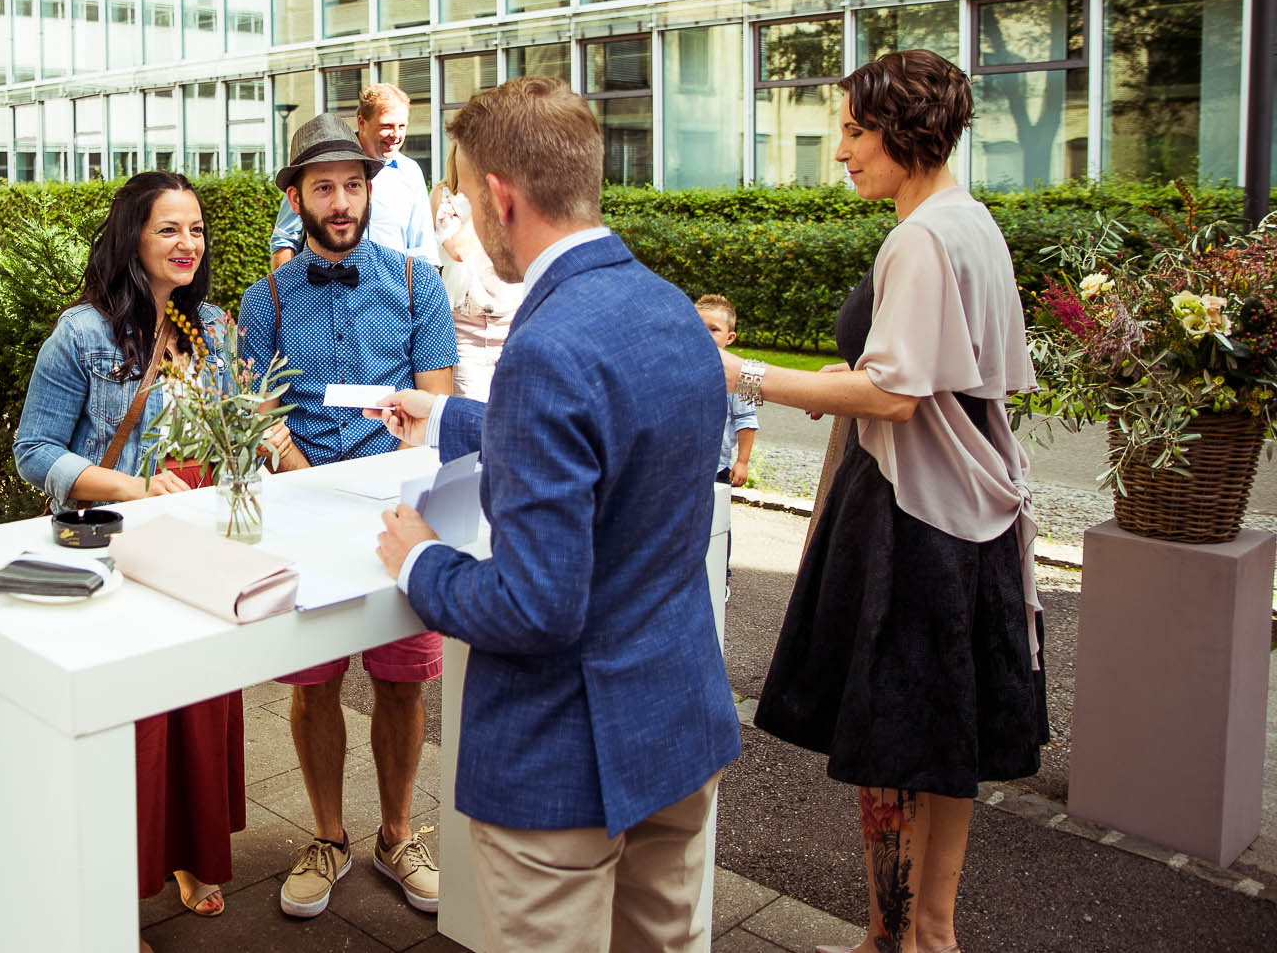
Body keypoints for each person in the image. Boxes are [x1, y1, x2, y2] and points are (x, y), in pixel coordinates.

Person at [371, 75, 741, 953]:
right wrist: (454, 417)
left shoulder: (547, 345)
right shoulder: (673, 310)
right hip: (677, 727)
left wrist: (421, 559)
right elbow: (612, 432)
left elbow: (537, 605)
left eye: (461, 194)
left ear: (500, 196)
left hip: (566, 763)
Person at [719, 49, 1044, 953]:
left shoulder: (920, 236)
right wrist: (852, 374)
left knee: (895, 739)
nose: (841, 152)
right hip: (971, 506)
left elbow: (897, 395)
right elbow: (950, 377)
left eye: (855, 132)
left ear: (904, 133)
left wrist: (746, 372)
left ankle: (895, 942)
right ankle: (921, 936)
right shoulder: (968, 219)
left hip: (911, 508)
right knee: (948, 739)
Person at [13, 171, 269, 933]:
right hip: (110, 549)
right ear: (133, 237)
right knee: (131, 727)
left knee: (195, 705)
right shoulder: (82, 333)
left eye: (196, 230)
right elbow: (34, 451)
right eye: (169, 229)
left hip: (193, 549)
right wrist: (129, 486)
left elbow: (230, 433)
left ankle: (186, 853)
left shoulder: (216, 327)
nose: (188, 243)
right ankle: (111, 896)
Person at [238, 114, 457, 921]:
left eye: (353, 184)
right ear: (296, 197)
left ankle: (397, 835)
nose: (340, 201)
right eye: (323, 186)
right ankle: (327, 836)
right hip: (301, 512)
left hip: (398, 516)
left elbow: (438, 404)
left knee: (403, 681)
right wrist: (302, 477)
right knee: (314, 682)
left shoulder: (414, 282)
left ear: (372, 189)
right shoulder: (262, 300)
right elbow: (258, 411)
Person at [270, 84, 438, 270]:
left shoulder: (410, 172)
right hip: (325, 292)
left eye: (402, 126)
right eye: (387, 126)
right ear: (361, 122)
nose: (396, 135)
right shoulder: (319, 163)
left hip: (390, 294)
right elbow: (284, 239)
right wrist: (287, 293)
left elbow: (423, 251)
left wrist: (422, 294)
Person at [432, 145, 524, 400]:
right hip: (466, 328)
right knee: (472, 421)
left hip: (511, 322)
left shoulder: (515, 193)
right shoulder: (445, 195)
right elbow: (458, 249)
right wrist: (488, 201)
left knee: (513, 420)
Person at [697, 295, 759, 492]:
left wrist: (742, 462)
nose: (704, 335)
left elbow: (746, 421)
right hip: (682, 466)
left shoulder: (739, 375)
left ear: (729, 337)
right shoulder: (681, 369)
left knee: (714, 518)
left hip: (716, 467)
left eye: (714, 329)